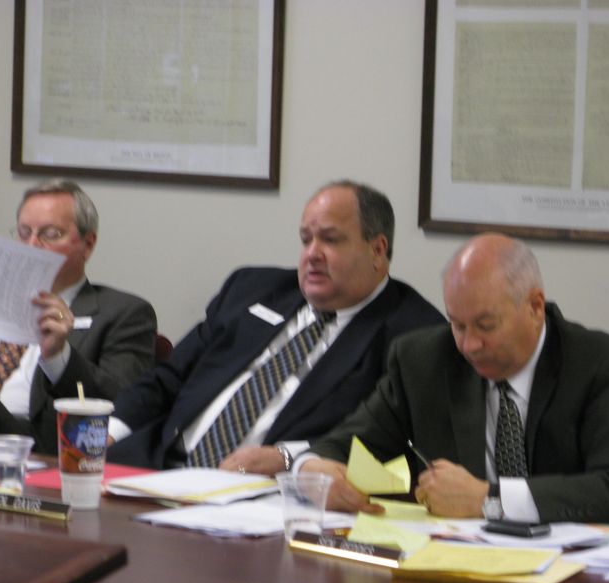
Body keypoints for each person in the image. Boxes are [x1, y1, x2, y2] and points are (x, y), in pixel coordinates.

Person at [302, 233, 609, 533]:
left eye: (486, 326)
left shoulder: (607, 365)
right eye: (457, 324)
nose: (469, 345)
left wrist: (489, 500)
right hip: (474, 568)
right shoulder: (424, 361)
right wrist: (314, 470)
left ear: (535, 307)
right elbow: (340, 445)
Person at [106, 180, 445, 473]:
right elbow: (169, 378)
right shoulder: (250, 289)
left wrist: (288, 458)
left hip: (266, 496)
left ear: (377, 249)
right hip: (154, 465)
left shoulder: (414, 333)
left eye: (330, 240)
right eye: (306, 239)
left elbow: (394, 444)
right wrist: (109, 431)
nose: (312, 254)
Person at [0, 179, 157, 454]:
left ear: (88, 244)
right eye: (24, 232)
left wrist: (58, 358)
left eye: (50, 234)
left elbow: (124, 401)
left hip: (38, 444)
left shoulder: (125, 313)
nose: (32, 245)